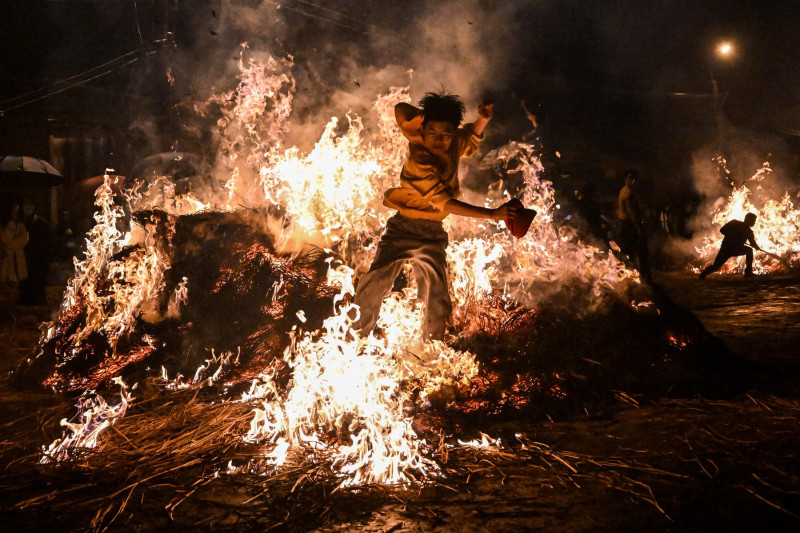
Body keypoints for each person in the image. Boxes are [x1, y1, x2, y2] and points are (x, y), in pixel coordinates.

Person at [353, 91, 521, 341]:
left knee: (437, 298)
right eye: (432, 132)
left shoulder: (452, 142)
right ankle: (352, 341)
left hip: (432, 234)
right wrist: (492, 214)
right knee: (374, 284)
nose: (439, 140)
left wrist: (483, 119)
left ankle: (431, 352)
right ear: (423, 129)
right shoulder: (420, 160)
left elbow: (468, 138)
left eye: (446, 134)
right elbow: (445, 203)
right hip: (402, 229)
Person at [699, 213, 761, 279]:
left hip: (728, 248)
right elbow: (752, 243)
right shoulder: (748, 231)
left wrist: (729, 235)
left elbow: (722, 230)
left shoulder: (734, 223)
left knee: (716, 266)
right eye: (753, 220)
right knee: (717, 266)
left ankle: (703, 274)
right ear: (748, 220)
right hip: (731, 249)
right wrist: (756, 247)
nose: (754, 222)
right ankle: (748, 272)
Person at [615, 169, 651, 281]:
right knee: (641, 252)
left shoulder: (623, 190)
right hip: (631, 226)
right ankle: (644, 277)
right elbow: (632, 212)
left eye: (633, 179)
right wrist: (639, 227)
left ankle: (631, 275)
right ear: (627, 179)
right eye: (630, 178)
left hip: (625, 225)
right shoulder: (628, 193)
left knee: (629, 252)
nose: (632, 181)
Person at [18, 197, 52, 306]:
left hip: (38, 263)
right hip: (23, 262)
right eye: (25, 205)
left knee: (37, 291)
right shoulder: (19, 223)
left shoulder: (42, 224)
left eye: (30, 205)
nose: (27, 208)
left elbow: (48, 243)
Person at [1, 204, 29, 283]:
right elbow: (5, 239)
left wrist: (10, 245)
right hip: (6, 260)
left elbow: (24, 239)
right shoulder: (5, 226)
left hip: (18, 259)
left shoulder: (21, 226)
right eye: (14, 212)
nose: (15, 214)